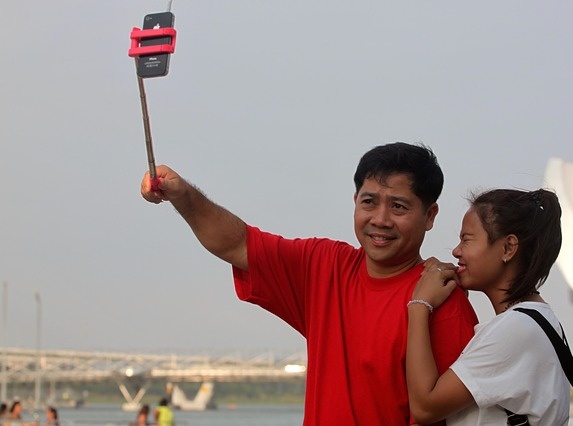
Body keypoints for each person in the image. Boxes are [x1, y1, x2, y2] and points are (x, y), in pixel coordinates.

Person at [140, 142, 479, 425]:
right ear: (355, 202)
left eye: (399, 206)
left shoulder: (443, 301)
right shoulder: (324, 266)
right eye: (369, 202)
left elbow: (459, 417)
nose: (380, 219)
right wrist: (183, 195)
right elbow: (237, 244)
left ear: (430, 215)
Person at [406, 188, 570, 425]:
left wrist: (419, 304)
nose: (456, 251)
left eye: (467, 239)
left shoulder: (515, 329)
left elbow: (424, 407)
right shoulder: (536, 319)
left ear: (508, 248)